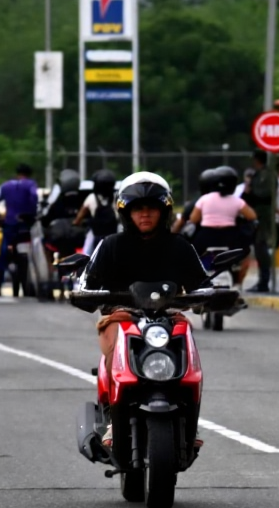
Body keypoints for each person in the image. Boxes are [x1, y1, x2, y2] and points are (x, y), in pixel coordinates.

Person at [80, 172, 211, 447]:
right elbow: (87, 282)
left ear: (164, 211)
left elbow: (201, 284)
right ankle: (113, 420)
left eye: (152, 208)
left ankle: (189, 419)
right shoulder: (110, 245)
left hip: (168, 315)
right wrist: (84, 294)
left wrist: (210, 297)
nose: (145, 215)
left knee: (186, 337)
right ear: (126, 213)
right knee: (116, 337)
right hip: (121, 314)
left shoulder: (180, 246)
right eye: (138, 209)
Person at [189, 166, 257, 287]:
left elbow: (193, 219)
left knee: (191, 258)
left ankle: (194, 282)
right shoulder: (236, 201)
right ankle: (237, 284)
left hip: (205, 237)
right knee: (245, 257)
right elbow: (252, 216)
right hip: (230, 237)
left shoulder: (204, 199)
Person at [0, 163, 40, 296]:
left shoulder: (5, 185)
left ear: (17, 173)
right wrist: (32, 214)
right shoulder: (31, 185)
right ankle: (29, 287)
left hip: (9, 224)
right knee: (30, 255)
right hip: (25, 225)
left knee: (2, 255)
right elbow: (34, 198)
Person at [243, 150, 277, 292]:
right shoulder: (259, 174)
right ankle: (262, 281)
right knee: (258, 249)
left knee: (261, 248)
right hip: (256, 215)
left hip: (263, 216)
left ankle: (264, 281)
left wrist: (251, 190)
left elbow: (265, 193)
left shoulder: (267, 175)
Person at [76, 170, 120, 255]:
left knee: (86, 255)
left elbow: (78, 218)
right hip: (115, 235)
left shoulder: (91, 198)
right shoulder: (117, 197)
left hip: (96, 236)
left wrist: (76, 223)